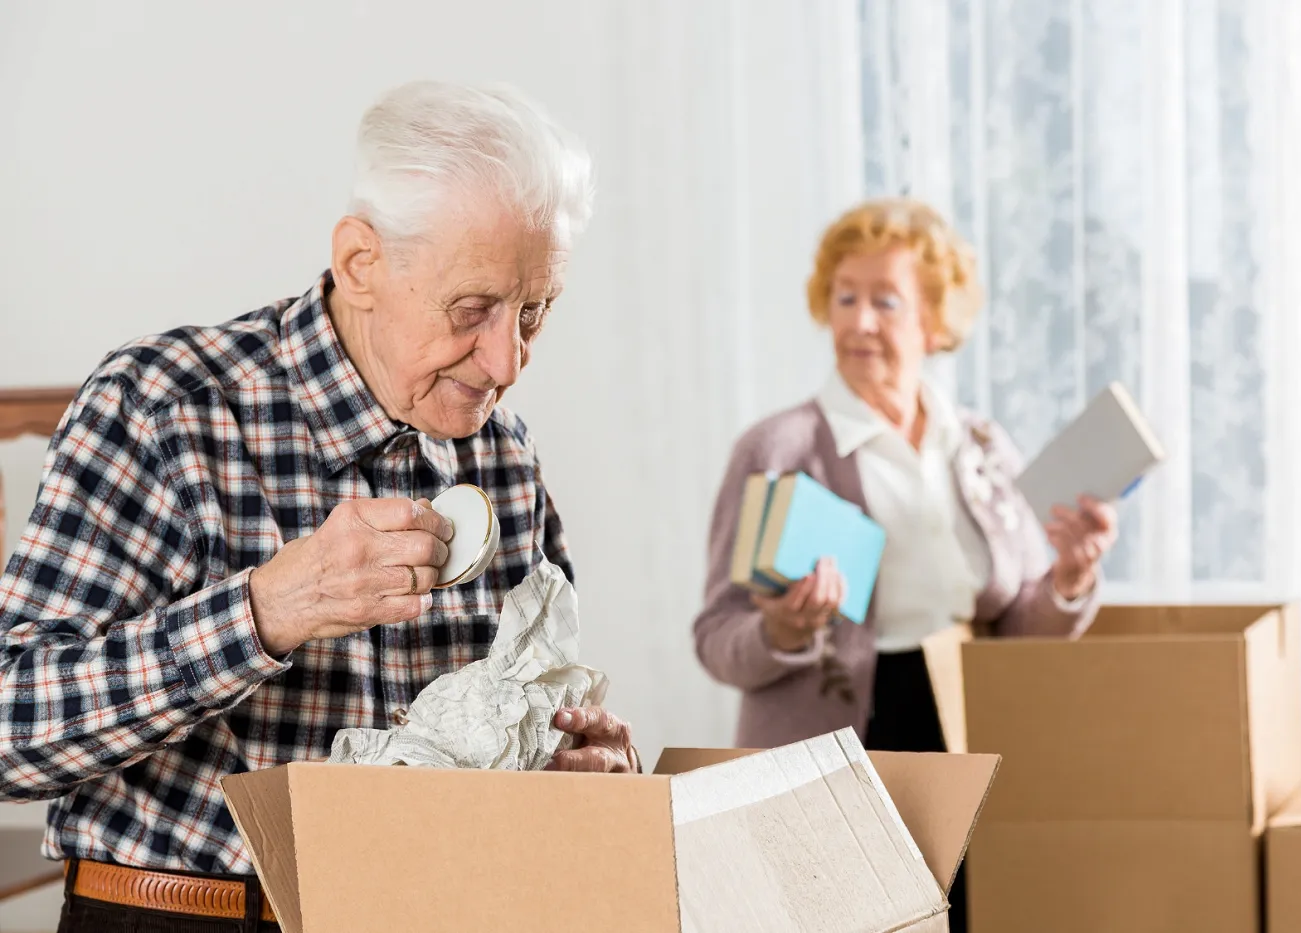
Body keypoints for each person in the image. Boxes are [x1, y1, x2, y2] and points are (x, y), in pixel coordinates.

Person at [0, 81, 636, 933]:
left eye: (536, 311)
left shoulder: (506, 457)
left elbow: (508, 736)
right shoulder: (165, 406)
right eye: (474, 309)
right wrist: (267, 611)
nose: (507, 360)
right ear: (361, 262)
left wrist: (584, 772)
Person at [693, 197, 1119, 933]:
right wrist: (783, 630)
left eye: (884, 301)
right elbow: (717, 637)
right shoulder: (778, 450)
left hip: (961, 728)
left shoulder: (980, 445)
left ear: (933, 320)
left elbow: (1015, 621)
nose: (858, 321)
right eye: (844, 297)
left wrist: (1072, 578)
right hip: (831, 744)